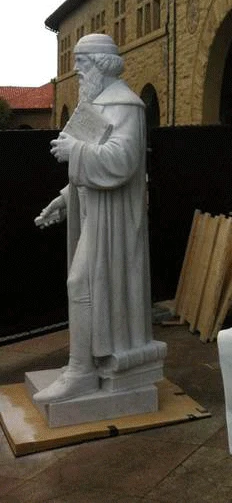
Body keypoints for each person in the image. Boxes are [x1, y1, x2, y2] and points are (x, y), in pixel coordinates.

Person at [35, 33, 153, 403]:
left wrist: (75, 150)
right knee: (85, 284)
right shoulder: (96, 105)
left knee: (81, 282)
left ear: (101, 64)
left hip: (114, 220)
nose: (77, 73)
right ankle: (84, 367)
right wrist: (64, 199)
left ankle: (81, 371)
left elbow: (123, 160)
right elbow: (89, 169)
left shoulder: (125, 105)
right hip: (93, 213)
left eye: (82, 65)